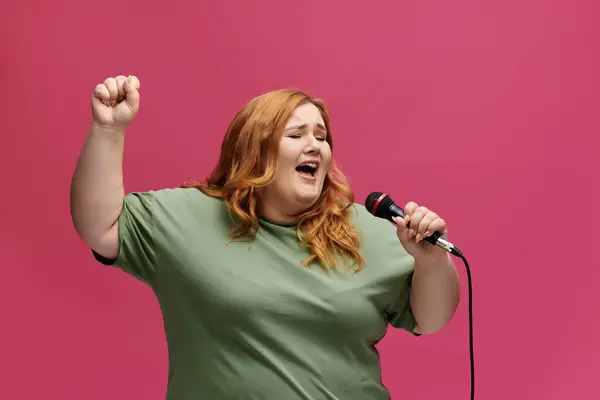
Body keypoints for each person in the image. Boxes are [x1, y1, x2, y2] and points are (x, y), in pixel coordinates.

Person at [70, 74, 461, 400]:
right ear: (255, 149)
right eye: (297, 134)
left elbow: (431, 318)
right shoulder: (187, 218)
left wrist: (431, 259)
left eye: (322, 137)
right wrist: (108, 130)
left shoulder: (368, 230)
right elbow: (101, 226)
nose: (315, 145)